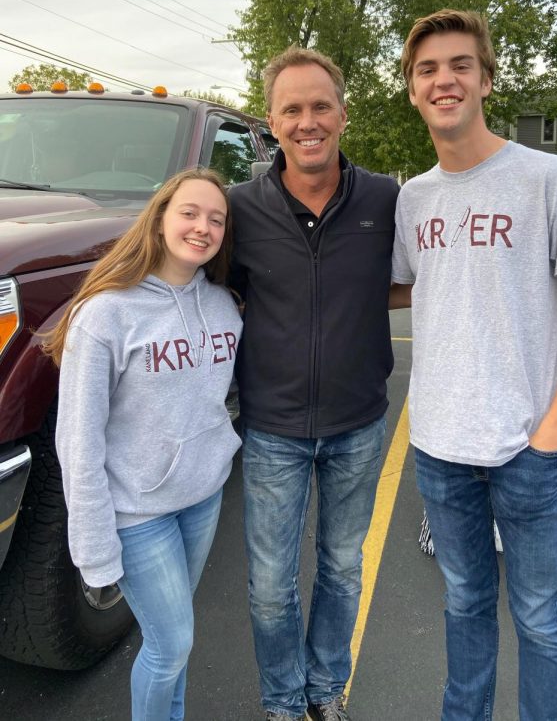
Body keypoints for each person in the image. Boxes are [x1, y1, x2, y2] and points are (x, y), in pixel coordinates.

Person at [390, 9, 557, 721]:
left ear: (486, 79)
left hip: (528, 446)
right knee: (463, 605)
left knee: (541, 618)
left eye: (459, 65)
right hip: (438, 447)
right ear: (411, 89)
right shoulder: (412, 197)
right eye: (426, 69)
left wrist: (551, 433)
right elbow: (401, 288)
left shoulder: (546, 180)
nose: (443, 79)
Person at [228, 46, 398, 721]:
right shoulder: (237, 209)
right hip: (272, 429)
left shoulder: (386, 197)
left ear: (342, 115)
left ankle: (325, 693)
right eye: (291, 109)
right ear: (271, 123)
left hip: (359, 421)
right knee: (270, 586)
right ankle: (281, 700)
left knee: (341, 569)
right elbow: (199, 291)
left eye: (319, 105)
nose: (307, 121)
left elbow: (427, 274)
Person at [46, 168, 243, 721]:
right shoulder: (106, 314)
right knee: (171, 644)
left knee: (172, 643)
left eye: (216, 219)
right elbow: (77, 440)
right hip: (138, 512)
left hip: (202, 497)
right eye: (189, 212)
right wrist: (93, 546)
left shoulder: (225, 307)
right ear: (159, 219)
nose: (202, 227)